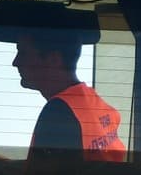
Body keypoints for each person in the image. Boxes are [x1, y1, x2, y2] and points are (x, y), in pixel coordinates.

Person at [11, 28, 126, 164]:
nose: (15, 62)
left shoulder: (58, 113)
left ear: (54, 59)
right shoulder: (95, 104)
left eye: (23, 53)